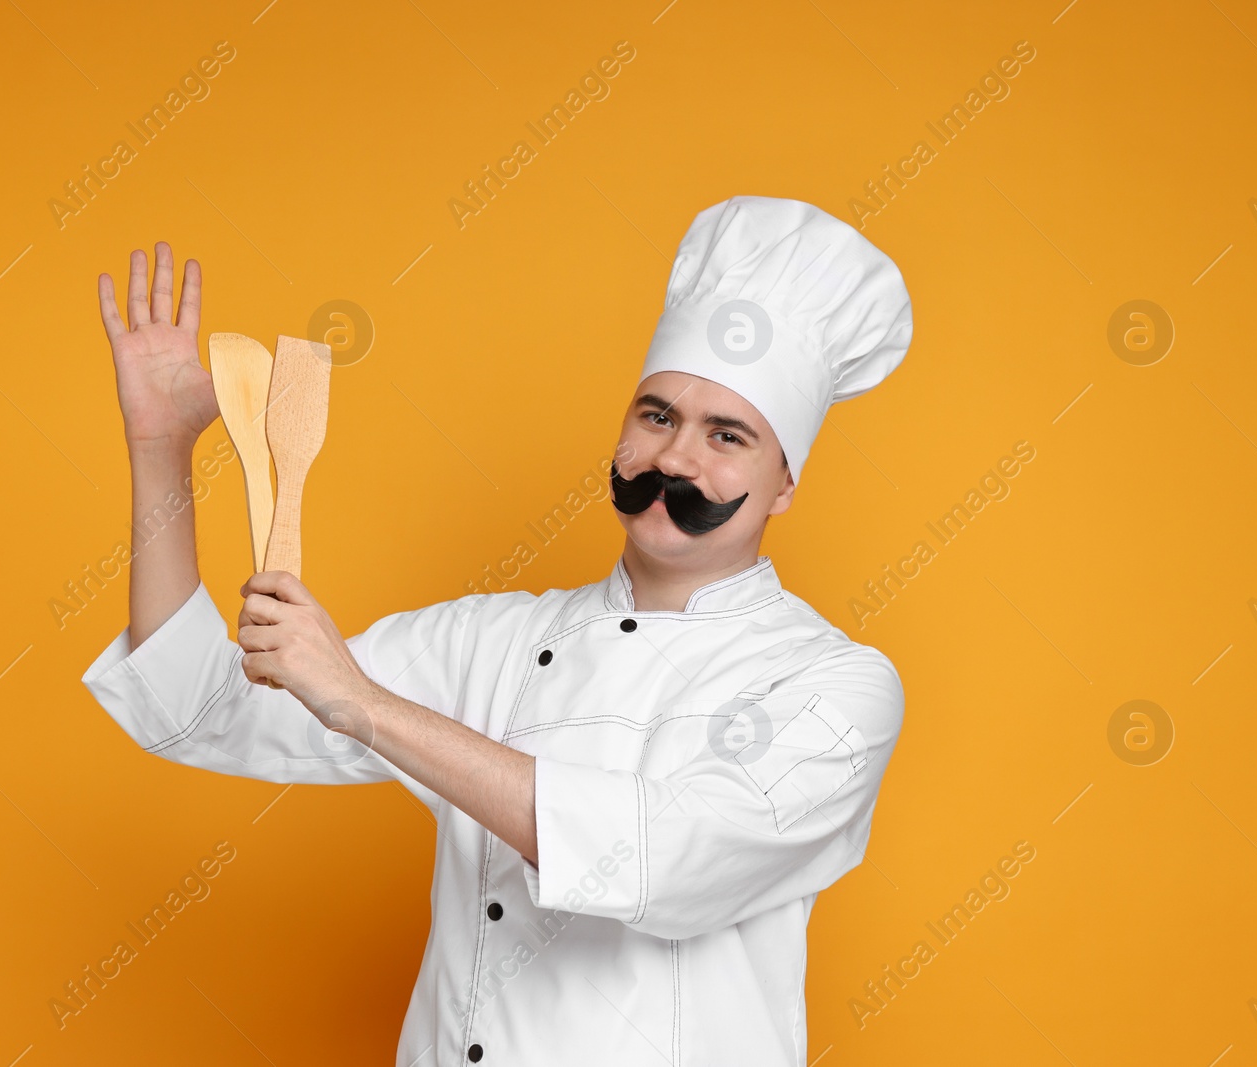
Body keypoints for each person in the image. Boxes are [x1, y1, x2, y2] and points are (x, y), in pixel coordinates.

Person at [83, 195, 914, 1066]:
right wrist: (160, 449)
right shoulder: (493, 641)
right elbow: (197, 707)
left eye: (727, 435)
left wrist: (366, 705)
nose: (674, 459)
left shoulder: (833, 683)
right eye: (656, 416)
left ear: (784, 482)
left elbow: (656, 858)